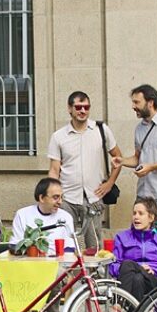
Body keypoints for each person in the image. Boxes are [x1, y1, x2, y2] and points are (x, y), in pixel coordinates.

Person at [47, 91, 122, 251]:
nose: (83, 111)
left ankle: (94, 276)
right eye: (78, 107)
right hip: (67, 197)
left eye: (86, 107)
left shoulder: (101, 130)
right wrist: (54, 196)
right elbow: (54, 170)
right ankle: (70, 276)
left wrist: (110, 183)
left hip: (94, 197)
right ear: (70, 108)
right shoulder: (58, 136)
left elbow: (118, 158)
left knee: (94, 245)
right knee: (65, 242)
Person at [111, 84, 157, 238]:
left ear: (150, 102)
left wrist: (151, 167)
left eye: (137, 102)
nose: (133, 107)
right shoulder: (139, 128)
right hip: (144, 193)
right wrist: (122, 161)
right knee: (138, 235)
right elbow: (138, 158)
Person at [107, 197, 157, 303]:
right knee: (137, 278)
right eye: (134, 213)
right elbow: (113, 265)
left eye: (140, 213)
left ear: (151, 218)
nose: (136, 217)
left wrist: (155, 270)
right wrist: (133, 269)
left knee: (129, 264)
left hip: (153, 279)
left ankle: (117, 306)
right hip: (129, 279)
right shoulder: (122, 237)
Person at [9, 177, 75, 257]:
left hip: (58, 264)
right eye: (55, 197)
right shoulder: (22, 215)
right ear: (41, 198)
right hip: (29, 263)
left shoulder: (66, 217)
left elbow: (69, 249)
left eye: (61, 197)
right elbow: (15, 246)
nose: (60, 202)